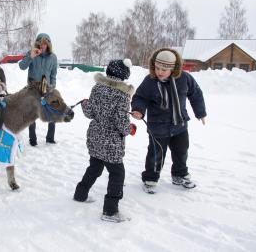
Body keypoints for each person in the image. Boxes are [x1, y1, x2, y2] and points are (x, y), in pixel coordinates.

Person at [130, 48, 207, 194]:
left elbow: (196, 93)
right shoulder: (150, 81)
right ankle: (150, 178)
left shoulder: (184, 79)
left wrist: (200, 112)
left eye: (164, 69)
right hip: (158, 127)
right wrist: (139, 109)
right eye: (157, 68)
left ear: (173, 68)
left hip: (180, 125)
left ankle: (179, 174)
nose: (159, 72)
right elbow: (140, 97)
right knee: (156, 153)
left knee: (181, 151)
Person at [73, 59, 136, 223]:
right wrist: (129, 129)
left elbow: (89, 112)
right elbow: (121, 123)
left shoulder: (97, 88)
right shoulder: (123, 95)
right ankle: (110, 211)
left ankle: (80, 194)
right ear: (124, 76)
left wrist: (85, 104)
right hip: (111, 143)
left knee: (95, 167)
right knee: (117, 174)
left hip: (94, 137)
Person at [19, 33, 58, 146]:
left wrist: (52, 86)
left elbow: (53, 74)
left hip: (47, 88)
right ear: (37, 43)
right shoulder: (31, 53)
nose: (42, 46)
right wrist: (31, 56)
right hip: (32, 88)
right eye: (40, 43)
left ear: (48, 45)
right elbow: (22, 66)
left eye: (45, 44)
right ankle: (33, 139)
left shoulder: (53, 57)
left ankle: (50, 138)